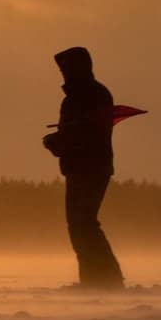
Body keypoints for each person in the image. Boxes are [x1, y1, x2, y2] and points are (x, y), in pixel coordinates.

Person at [42, 46, 123, 289]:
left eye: (65, 68)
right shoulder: (83, 96)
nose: (63, 73)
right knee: (82, 224)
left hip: (89, 168)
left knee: (83, 223)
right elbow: (75, 135)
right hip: (84, 167)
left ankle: (104, 280)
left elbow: (87, 136)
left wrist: (57, 142)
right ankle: (97, 279)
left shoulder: (89, 96)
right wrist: (58, 142)